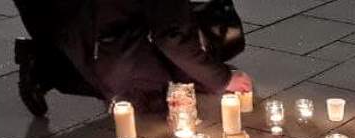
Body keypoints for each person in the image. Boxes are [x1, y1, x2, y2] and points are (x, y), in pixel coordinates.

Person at [13, 0, 253, 116]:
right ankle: (46, 68)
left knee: (190, 79)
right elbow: (172, 36)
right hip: (97, 41)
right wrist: (222, 79)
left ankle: (52, 58)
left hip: (62, 21)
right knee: (165, 97)